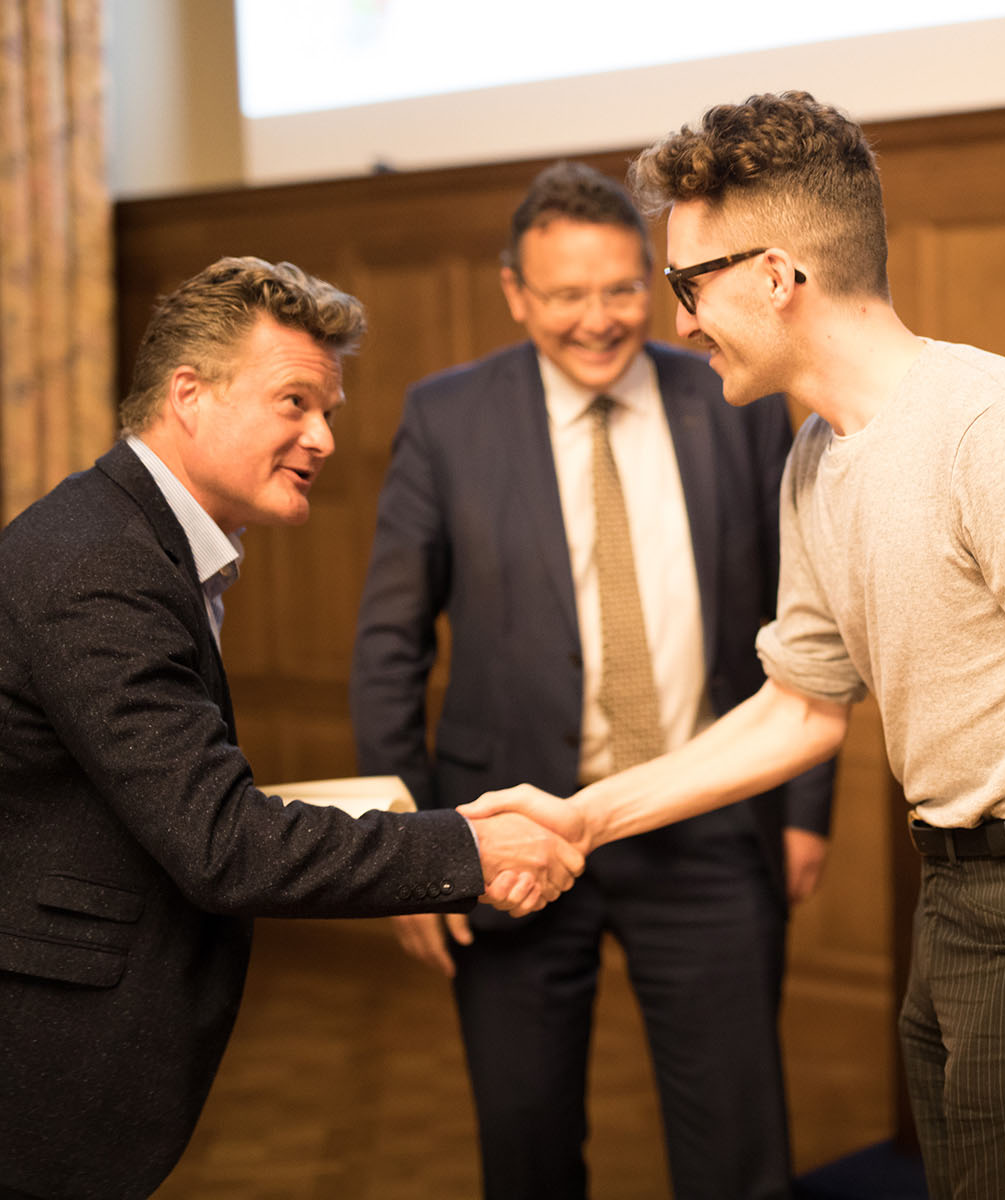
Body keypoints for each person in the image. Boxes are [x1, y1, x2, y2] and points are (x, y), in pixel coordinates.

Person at [467, 92, 1005, 1198]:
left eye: (687, 284)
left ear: (776, 274)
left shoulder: (991, 428)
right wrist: (584, 815)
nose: (677, 323)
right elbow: (802, 705)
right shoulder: (817, 454)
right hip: (950, 898)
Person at [0, 256, 582, 1200]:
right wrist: (471, 852)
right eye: (295, 403)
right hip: (47, 1056)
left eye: (330, 412)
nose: (322, 437)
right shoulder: (98, 564)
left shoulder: (137, 540)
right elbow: (220, 843)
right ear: (188, 395)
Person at [349, 161, 835, 1200]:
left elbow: (805, 614)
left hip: (707, 821)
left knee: (740, 1152)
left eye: (621, 288)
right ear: (515, 293)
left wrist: (805, 809)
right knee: (524, 1151)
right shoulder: (446, 418)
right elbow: (391, 643)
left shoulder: (737, 399)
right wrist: (406, 853)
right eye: (565, 295)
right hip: (510, 834)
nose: (597, 319)